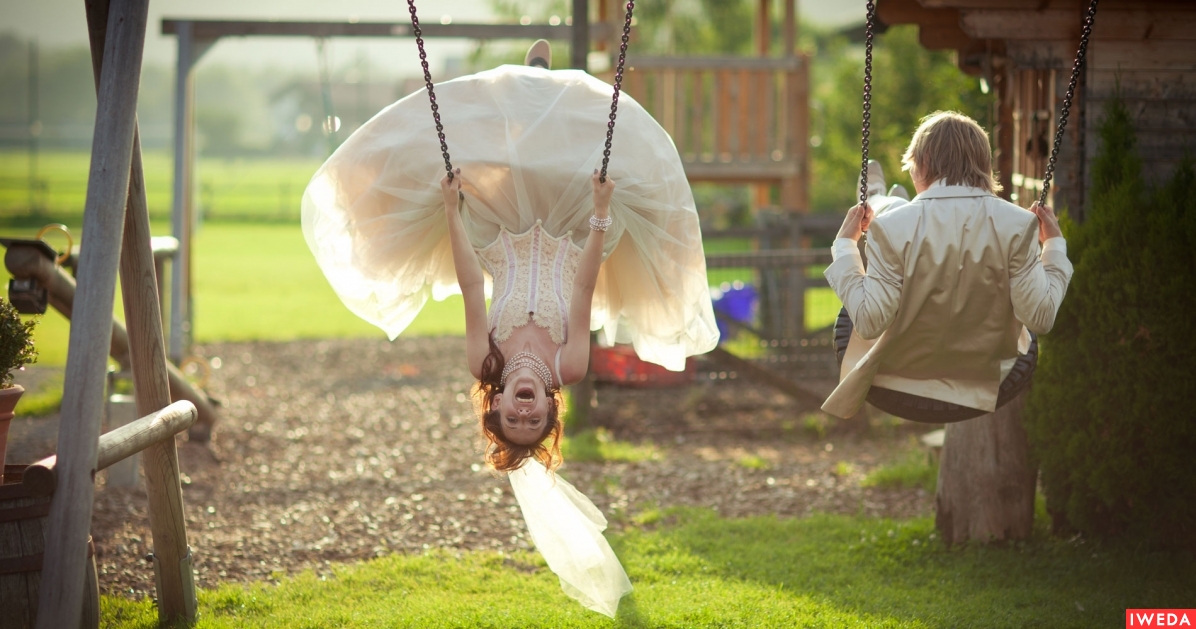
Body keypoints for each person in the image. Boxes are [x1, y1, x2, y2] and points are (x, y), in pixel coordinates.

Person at [302, 40, 718, 617]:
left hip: (501, 233)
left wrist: (450, 211)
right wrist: (600, 210)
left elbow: (473, 287)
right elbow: (581, 288)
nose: (524, 415)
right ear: (549, 410)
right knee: (564, 168)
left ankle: (530, 83)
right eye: (534, 422)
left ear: (495, 408)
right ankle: (542, 87)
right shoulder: (567, 367)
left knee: (500, 167)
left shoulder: (485, 361)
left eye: (512, 421)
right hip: (576, 230)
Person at [823, 111, 1073, 419]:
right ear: (984, 164)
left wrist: (845, 245)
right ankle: (882, 199)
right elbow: (1040, 317)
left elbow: (869, 321)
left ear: (923, 164)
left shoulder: (887, 229)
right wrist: (1054, 245)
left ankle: (876, 199)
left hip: (898, 372)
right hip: (984, 373)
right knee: (903, 217)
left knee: (896, 214)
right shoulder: (1020, 225)